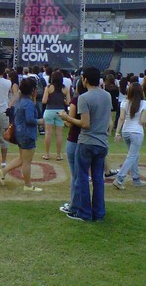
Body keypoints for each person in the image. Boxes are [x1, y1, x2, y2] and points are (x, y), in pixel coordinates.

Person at [58, 67, 112, 221]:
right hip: (102, 143)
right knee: (98, 179)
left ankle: (84, 213)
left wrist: (66, 117)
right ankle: (99, 213)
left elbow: (85, 123)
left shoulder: (84, 98)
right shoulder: (107, 96)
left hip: (87, 142)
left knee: (81, 178)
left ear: (85, 79)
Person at [0, 78, 44, 192]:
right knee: (27, 161)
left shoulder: (19, 101)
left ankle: (3, 171)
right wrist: (39, 121)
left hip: (19, 133)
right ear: (32, 90)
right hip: (27, 134)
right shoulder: (28, 103)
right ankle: (27, 185)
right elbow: (29, 119)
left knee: (22, 158)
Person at [59, 79, 87, 214]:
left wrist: (64, 117)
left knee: (76, 175)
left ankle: (74, 206)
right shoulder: (92, 100)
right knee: (82, 174)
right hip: (88, 139)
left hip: (75, 139)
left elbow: (70, 124)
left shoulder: (77, 100)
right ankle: (81, 203)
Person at [112, 83, 146, 190]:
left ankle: (136, 179)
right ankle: (119, 179)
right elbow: (142, 121)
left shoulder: (124, 102)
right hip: (136, 132)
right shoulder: (144, 103)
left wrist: (117, 133)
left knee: (134, 156)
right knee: (132, 156)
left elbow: (121, 118)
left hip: (126, 131)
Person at [42, 70, 71, 161]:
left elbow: (44, 101)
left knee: (48, 133)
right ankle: (58, 155)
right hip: (60, 112)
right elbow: (68, 102)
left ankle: (47, 154)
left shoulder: (49, 87)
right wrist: (62, 100)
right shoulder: (65, 88)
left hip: (49, 110)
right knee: (59, 134)